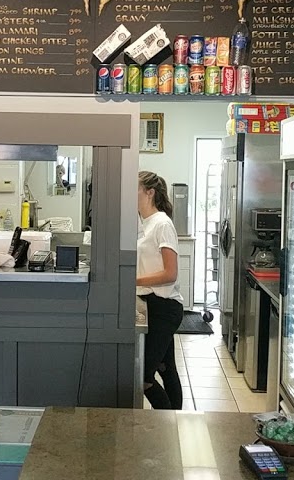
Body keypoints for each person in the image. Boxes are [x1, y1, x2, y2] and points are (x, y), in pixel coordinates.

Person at [136, 170, 184, 410]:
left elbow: (170, 273)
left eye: (134, 189)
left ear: (150, 193)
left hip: (165, 308)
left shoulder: (162, 224)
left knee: (144, 377)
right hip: (153, 305)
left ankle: (167, 422)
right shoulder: (145, 223)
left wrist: (133, 281)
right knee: (166, 368)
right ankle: (176, 422)